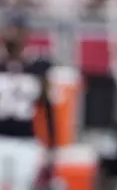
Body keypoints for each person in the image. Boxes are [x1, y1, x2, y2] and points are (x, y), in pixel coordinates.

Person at [0, 13, 56, 190]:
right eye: (11, 29)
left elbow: (47, 108)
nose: (14, 35)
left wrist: (52, 146)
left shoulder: (37, 68)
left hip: (26, 141)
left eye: (18, 30)